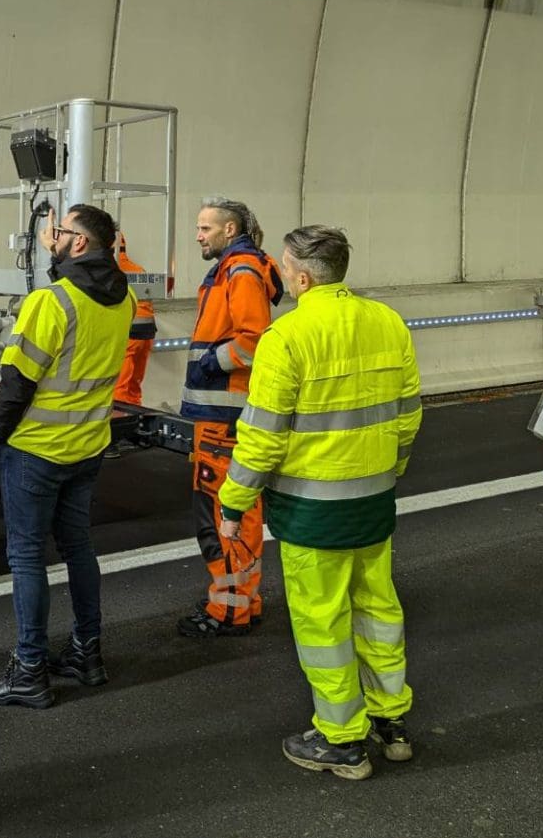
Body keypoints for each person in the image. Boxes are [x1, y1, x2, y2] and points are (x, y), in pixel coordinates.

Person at [218, 225, 421, 781]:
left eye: (284, 267)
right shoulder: (388, 322)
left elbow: (262, 435)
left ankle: (341, 740)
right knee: (378, 610)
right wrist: (390, 469)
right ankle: (391, 721)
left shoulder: (288, 337)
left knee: (324, 622)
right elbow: (409, 413)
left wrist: (234, 500)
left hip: (313, 510)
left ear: (301, 276)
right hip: (374, 499)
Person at [0, 203, 135, 708]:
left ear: (80, 242)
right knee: (78, 548)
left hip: (37, 450)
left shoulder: (53, 301)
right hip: (87, 445)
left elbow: (19, 376)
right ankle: (88, 655)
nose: (50, 238)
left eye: (58, 231)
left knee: (26, 557)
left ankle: (28, 670)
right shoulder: (122, 299)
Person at [178, 196, 282, 637]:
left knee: (226, 513)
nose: (198, 235)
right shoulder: (233, 268)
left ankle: (231, 611)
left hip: (224, 415)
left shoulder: (239, 270)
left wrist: (213, 361)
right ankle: (243, 601)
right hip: (218, 413)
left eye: (205, 228)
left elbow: (252, 341)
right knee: (230, 511)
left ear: (229, 229)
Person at [112, 229, 157, 406]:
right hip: (146, 334)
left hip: (129, 334)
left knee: (120, 388)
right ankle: (136, 415)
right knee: (134, 386)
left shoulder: (112, 273)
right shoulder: (138, 270)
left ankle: (123, 422)